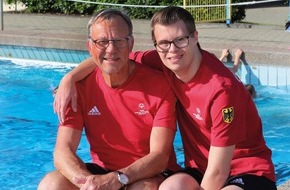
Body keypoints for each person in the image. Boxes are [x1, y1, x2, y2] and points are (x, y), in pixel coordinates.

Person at [54, 6, 277, 190]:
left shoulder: (221, 91)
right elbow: (110, 56)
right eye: (164, 43)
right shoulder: (162, 61)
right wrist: (69, 78)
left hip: (245, 170)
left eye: (180, 40)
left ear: (195, 37)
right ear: (157, 46)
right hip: (199, 168)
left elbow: (218, 172)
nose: (172, 50)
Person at [38, 9, 181, 190]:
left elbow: (159, 157)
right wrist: (88, 183)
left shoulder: (159, 86)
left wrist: (118, 179)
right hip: (102, 172)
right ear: (90, 47)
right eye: (102, 42)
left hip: (148, 174)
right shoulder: (78, 88)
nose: (111, 49)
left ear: (130, 44)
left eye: (119, 41)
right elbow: (62, 152)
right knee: (51, 184)